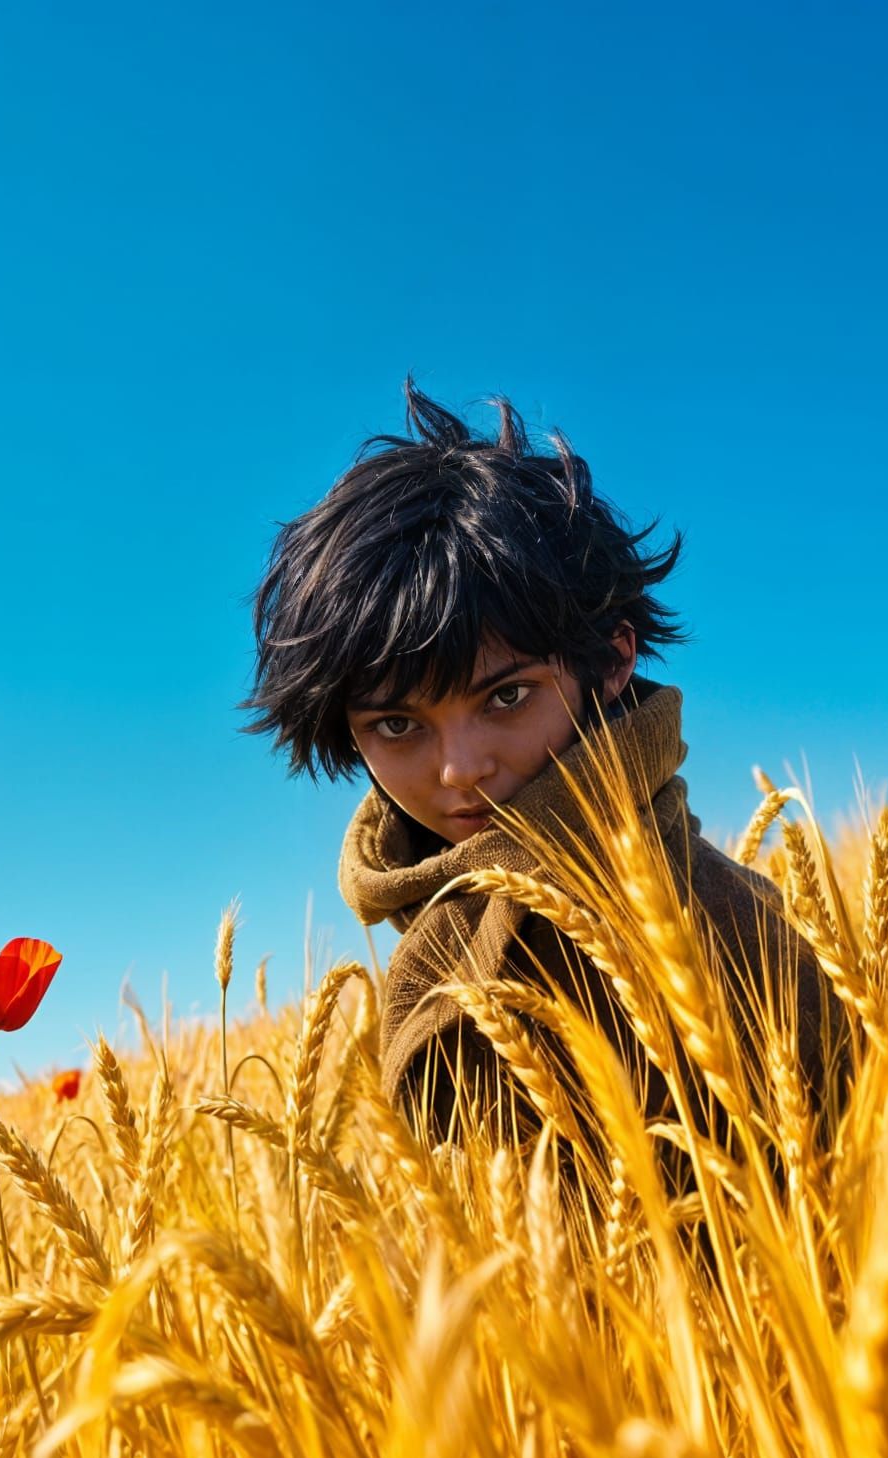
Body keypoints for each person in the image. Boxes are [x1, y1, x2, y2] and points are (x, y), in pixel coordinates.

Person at [243, 380, 845, 1164]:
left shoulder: (714, 925)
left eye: (507, 696)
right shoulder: (442, 927)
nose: (462, 769)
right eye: (397, 725)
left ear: (614, 661)